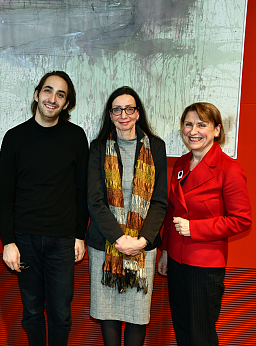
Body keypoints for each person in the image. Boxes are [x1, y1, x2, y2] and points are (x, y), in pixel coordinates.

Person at [0, 71, 89, 346]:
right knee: (32, 311)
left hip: (62, 241)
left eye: (61, 94)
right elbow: (4, 195)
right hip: (25, 240)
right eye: (48, 91)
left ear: (67, 103)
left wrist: (79, 235)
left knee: (61, 314)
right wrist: (8, 242)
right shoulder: (15, 137)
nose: (53, 98)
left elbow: (81, 190)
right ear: (37, 95)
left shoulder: (75, 137)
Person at [157, 102, 252, 346]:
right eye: (188, 124)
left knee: (201, 337)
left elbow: (242, 220)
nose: (193, 131)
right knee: (183, 332)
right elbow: (171, 211)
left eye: (202, 125)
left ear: (217, 130)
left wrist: (194, 228)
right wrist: (165, 251)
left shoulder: (229, 169)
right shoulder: (180, 164)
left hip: (204, 266)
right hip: (177, 262)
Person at [86, 87, 168, 346]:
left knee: (137, 315)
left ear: (138, 112)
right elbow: (94, 200)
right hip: (107, 244)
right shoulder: (98, 147)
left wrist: (141, 241)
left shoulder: (156, 146)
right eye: (117, 109)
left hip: (143, 247)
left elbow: (159, 200)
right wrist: (120, 239)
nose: (124, 114)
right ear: (110, 115)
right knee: (108, 314)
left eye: (129, 108)